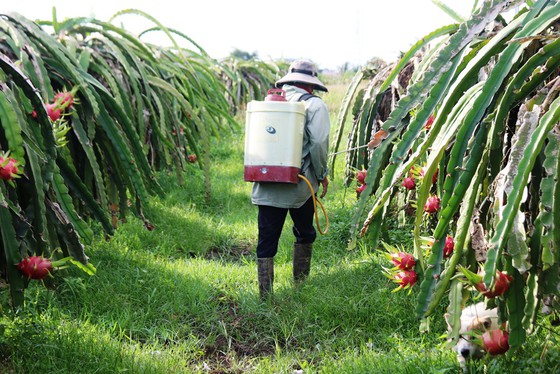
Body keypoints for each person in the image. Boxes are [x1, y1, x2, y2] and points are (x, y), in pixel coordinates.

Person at [251, 59, 330, 299]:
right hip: (300, 187)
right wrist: (322, 174)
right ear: (311, 85)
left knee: (267, 239)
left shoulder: (269, 104)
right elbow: (317, 143)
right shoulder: (315, 105)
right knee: (304, 232)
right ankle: (301, 288)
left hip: (266, 184)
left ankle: (265, 296)